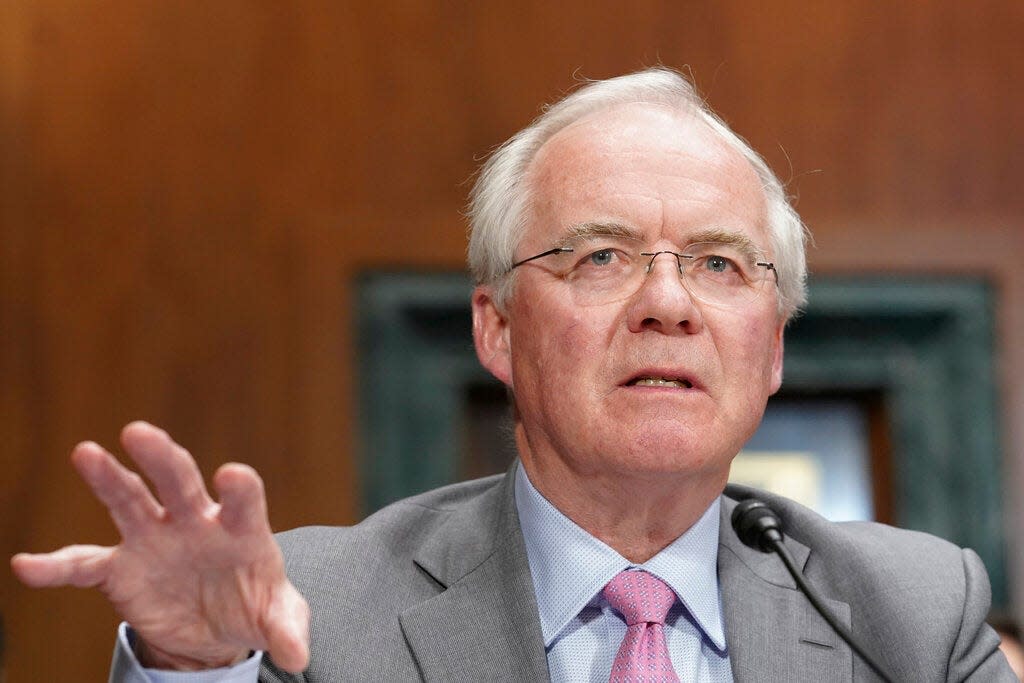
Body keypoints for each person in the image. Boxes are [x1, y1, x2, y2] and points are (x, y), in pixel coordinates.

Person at [11, 68, 1016, 682]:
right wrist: (197, 671)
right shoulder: (313, 609)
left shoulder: (906, 610)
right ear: (495, 329)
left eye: (718, 263)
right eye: (600, 256)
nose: (667, 303)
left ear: (774, 347)